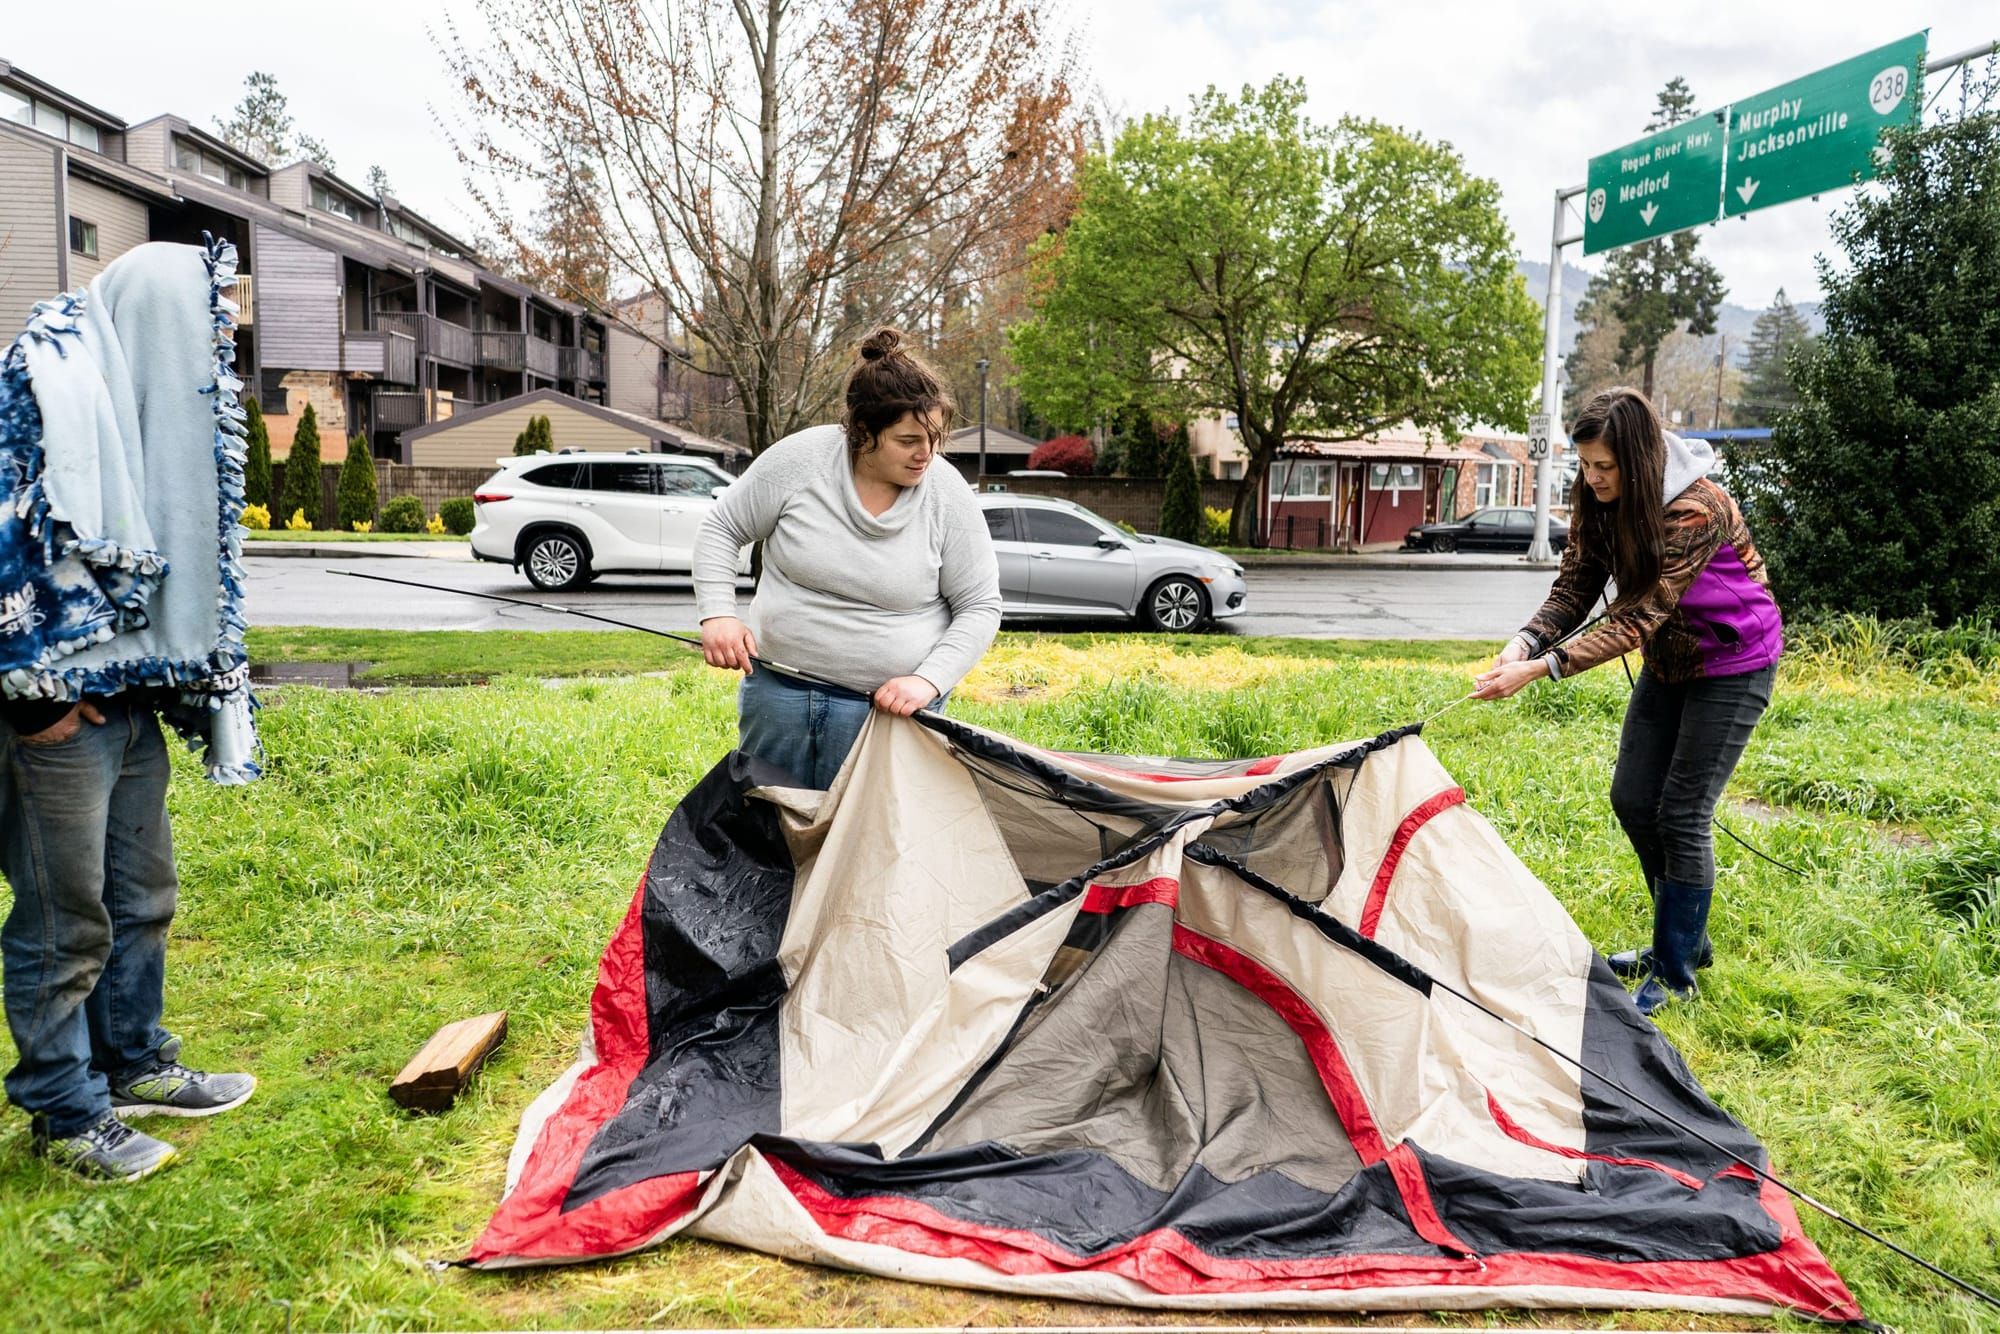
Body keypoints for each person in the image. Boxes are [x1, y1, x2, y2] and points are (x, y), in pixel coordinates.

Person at [1471, 387, 1783, 1016]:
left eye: (1605, 467)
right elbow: (1578, 584)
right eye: (1584, 465)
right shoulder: (1595, 496)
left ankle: (1674, 972)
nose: (1592, 478)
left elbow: (1639, 617)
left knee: (1682, 813)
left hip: (1733, 661)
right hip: (1669, 663)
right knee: (1633, 799)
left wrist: (1542, 669)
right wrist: (1524, 640)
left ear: (1639, 459)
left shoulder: (1696, 508)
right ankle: (1684, 942)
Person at [693, 328, 1002, 789]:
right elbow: (722, 528)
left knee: (871, 844)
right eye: (908, 440)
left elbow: (980, 605)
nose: (927, 454)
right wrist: (717, 615)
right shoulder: (800, 461)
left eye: (936, 438)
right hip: (778, 695)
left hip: (889, 711)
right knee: (770, 832)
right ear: (862, 433)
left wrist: (928, 681)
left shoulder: (947, 493)